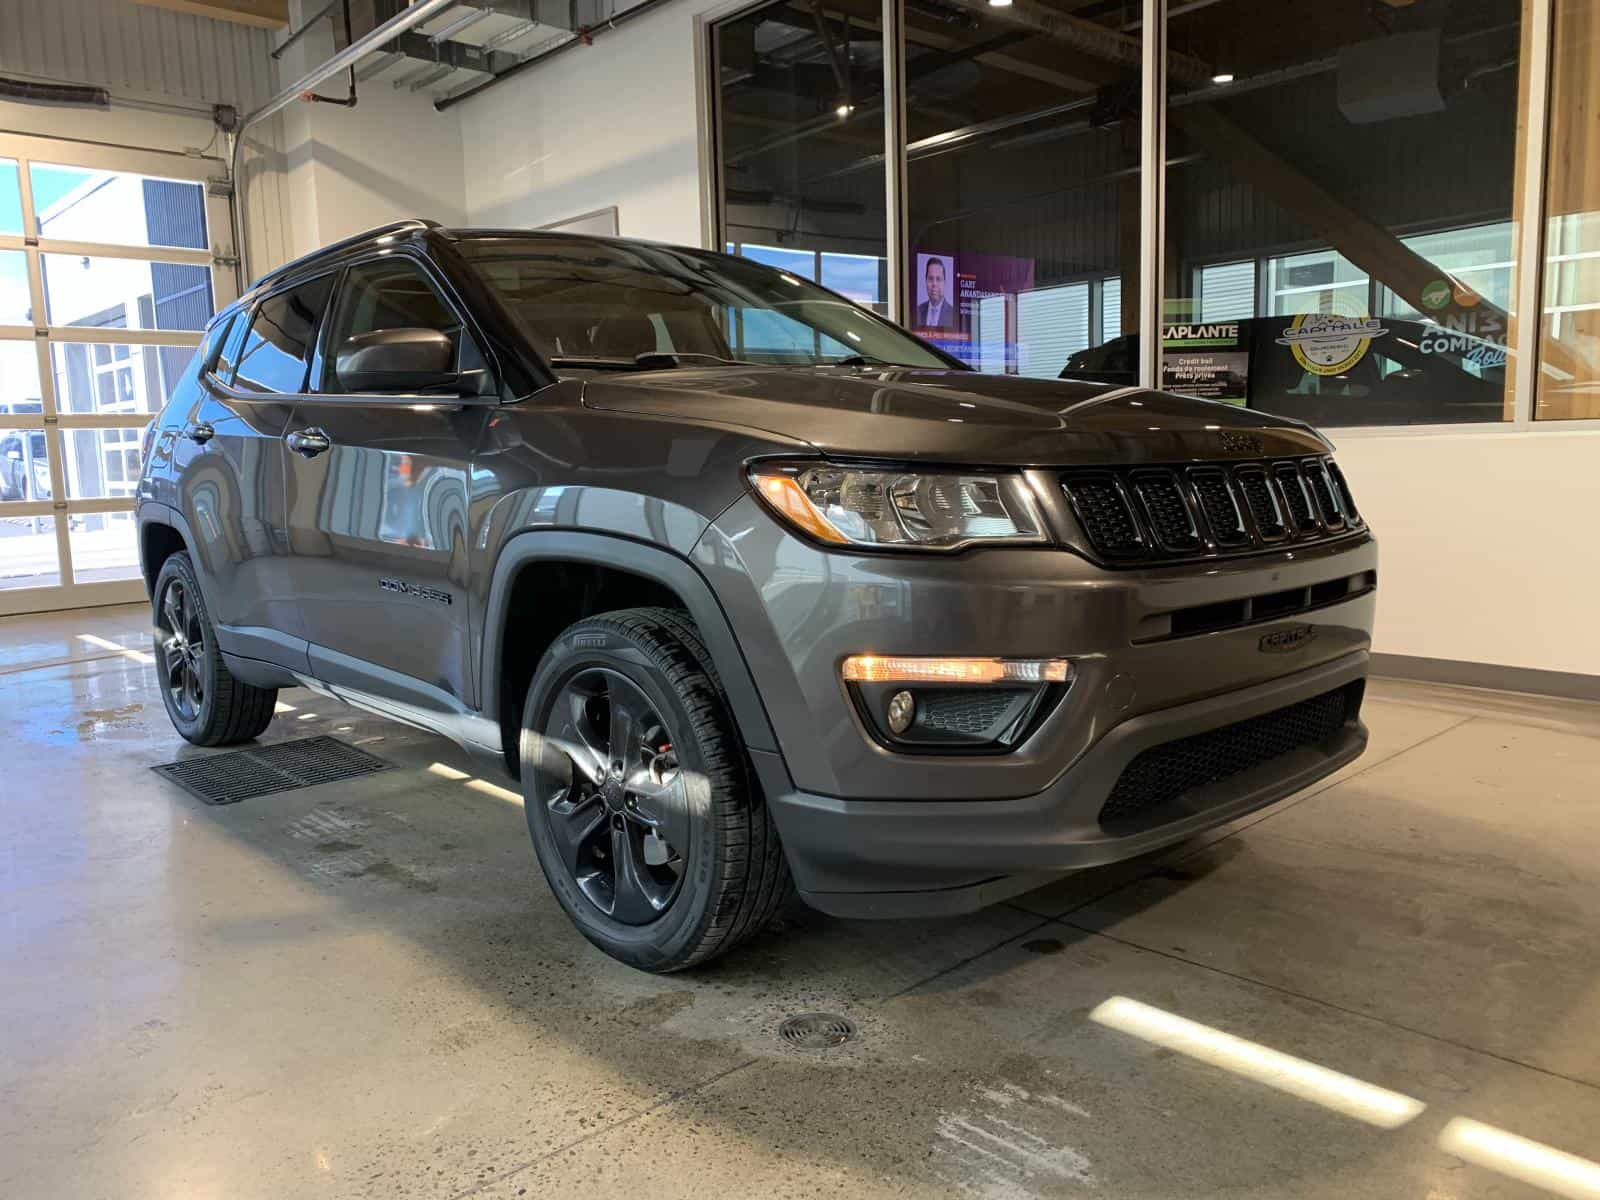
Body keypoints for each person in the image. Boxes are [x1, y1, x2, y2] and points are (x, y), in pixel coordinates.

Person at [916, 257, 956, 330]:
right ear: (926, 281)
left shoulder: (953, 314)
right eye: (930, 279)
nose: (934, 284)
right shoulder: (917, 310)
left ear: (944, 282)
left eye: (938, 279)